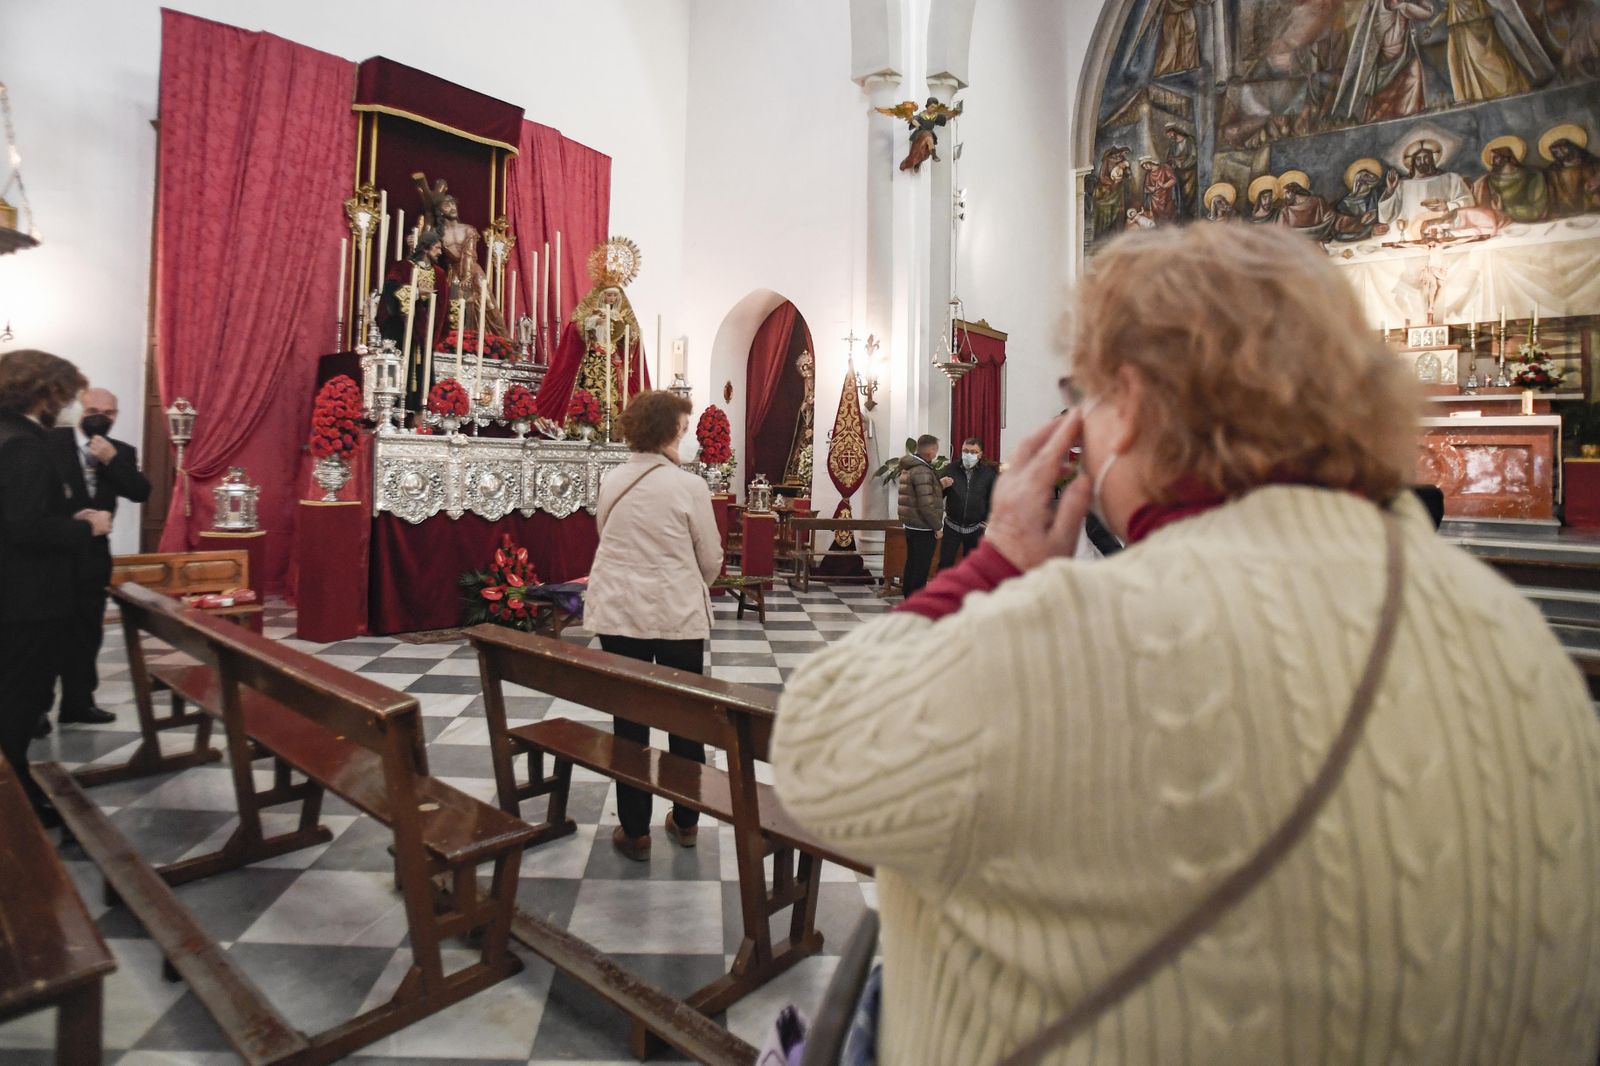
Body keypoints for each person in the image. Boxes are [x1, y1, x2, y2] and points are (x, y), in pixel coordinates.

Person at [771, 224, 1600, 1065]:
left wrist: (995, 562)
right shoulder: (1519, 638)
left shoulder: (1074, 638)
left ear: (1128, 406)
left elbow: (813, 746)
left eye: (1083, 394)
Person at [583, 389, 722, 861]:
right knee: (686, 718)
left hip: (622, 614)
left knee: (630, 722)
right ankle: (685, 821)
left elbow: (605, 535)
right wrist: (686, 582)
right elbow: (711, 559)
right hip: (678, 616)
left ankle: (635, 831)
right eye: (682, 427)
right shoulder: (690, 487)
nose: (685, 434)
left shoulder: (611, 480)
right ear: (669, 431)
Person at [0, 350, 110, 827]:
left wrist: (66, 518)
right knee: (20, 699)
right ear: (44, 392)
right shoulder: (23, 444)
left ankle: (16, 785)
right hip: (26, 597)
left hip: (13, 593)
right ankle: (14, 797)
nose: (66, 405)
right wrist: (86, 528)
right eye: (63, 394)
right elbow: (24, 527)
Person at [41, 387, 150, 736]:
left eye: (108, 412)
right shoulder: (48, 443)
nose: (100, 417)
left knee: (86, 632)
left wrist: (112, 460)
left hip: (92, 559)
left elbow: (140, 492)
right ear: (79, 411)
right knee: (46, 633)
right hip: (50, 556)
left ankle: (78, 702)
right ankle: (35, 708)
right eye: (92, 410)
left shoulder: (121, 451)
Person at [1378, 138, 1475, 241]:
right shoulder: (1402, 184)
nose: (1423, 162)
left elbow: (1469, 201)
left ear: (1432, 159)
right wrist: (1390, 190)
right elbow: (1386, 216)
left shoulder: (1451, 178)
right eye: (1418, 159)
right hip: (1410, 236)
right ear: (1413, 162)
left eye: (1426, 157)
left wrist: (1447, 206)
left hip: (1443, 233)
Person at [896, 434, 943, 598]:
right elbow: (925, 504)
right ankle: (915, 600)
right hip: (923, 526)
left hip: (911, 524)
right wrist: (937, 526)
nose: (937, 453)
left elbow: (918, 495)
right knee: (921, 566)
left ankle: (908, 596)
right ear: (929, 451)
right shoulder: (922, 470)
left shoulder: (910, 467)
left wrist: (940, 485)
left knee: (912, 563)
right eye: (936, 449)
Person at [939, 437, 995, 569]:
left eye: (973, 452)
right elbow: (937, 496)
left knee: (972, 566)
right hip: (952, 526)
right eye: (965, 451)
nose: (969, 455)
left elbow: (993, 498)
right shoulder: (950, 469)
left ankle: (968, 590)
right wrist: (940, 486)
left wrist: (986, 519)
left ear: (980, 454)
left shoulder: (988, 474)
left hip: (975, 528)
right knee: (945, 563)